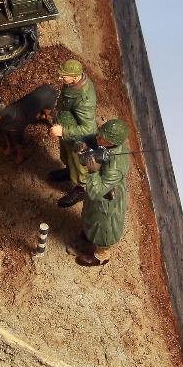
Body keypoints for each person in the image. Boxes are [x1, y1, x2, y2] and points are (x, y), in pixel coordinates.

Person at [77, 118, 131, 267]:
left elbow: (96, 192)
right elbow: (90, 142)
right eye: (100, 134)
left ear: (112, 142)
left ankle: (101, 255)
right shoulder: (108, 145)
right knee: (91, 215)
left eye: (103, 138)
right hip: (99, 193)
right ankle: (89, 234)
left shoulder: (115, 167)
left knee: (104, 226)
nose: (98, 138)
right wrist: (84, 146)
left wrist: (93, 172)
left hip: (107, 199)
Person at [47, 58, 97, 207]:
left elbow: (89, 129)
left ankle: (81, 190)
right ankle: (69, 172)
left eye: (63, 76)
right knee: (66, 156)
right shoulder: (71, 83)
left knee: (79, 166)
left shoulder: (84, 100)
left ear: (75, 77)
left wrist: (63, 130)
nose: (59, 78)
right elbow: (65, 99)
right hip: (67, 127)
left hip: (79, 140)